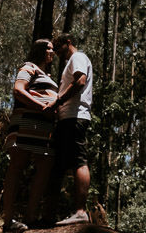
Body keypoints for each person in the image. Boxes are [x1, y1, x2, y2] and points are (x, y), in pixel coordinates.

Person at [0, 39, 58, 233]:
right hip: (26, 124)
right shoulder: (29, 67)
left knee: (45, 166)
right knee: (16, 167)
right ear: (40, 50)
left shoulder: (47, 75)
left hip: (44, 130)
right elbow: (18, 90)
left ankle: (30, 217)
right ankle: (8, 221)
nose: (53, 52)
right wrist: (42, 106)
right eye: (49, 48)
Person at [42, 34, 94, 226]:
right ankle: (48, 216)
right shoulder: (71, 61)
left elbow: (80, 81)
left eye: (58, 48)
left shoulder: (77, 57)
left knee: (78, 160)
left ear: (68, 43)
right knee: (59, 165)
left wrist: (58, 101)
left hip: (75, 116)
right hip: (67, 118)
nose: (56, 53)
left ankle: (80, 212)